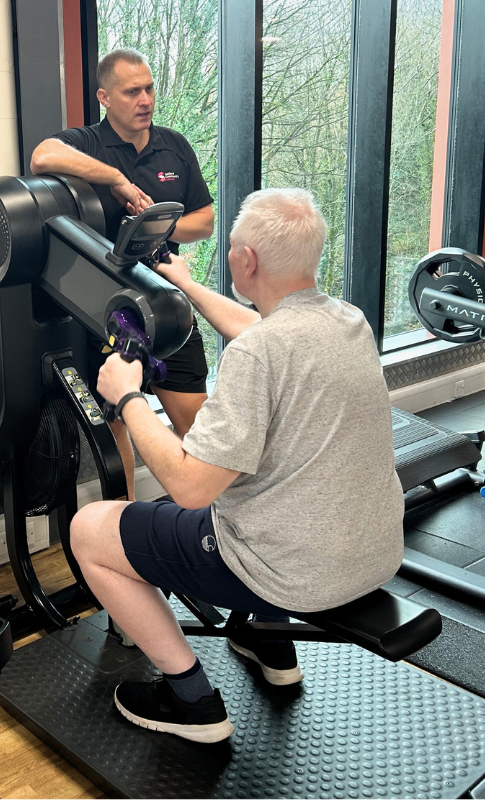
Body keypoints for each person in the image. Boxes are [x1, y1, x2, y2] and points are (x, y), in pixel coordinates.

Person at [69, 187, 405, 744]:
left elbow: (189, 487)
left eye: (230, 249)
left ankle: (191, 700)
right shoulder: (349, 322)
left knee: (91, 530)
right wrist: (187, 284)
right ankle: (269, 640)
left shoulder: (256, 356)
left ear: (246, 261)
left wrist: (128, 396)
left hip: (289, 573)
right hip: (374, 555)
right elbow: (263, 334)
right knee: (266, 491)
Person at [30, 48, 214, 500]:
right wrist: (115, 178)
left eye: (149, 88)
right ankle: (127, 521)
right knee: (117, 424)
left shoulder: (174, 145)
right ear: (105, 97)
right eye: (132, 91)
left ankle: (213, 520)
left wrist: (160, 224)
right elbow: (41, 156)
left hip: (168, 301)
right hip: (106, 310)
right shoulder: (88, 143)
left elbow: (205, 221)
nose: (146, 99)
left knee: (197, 420)